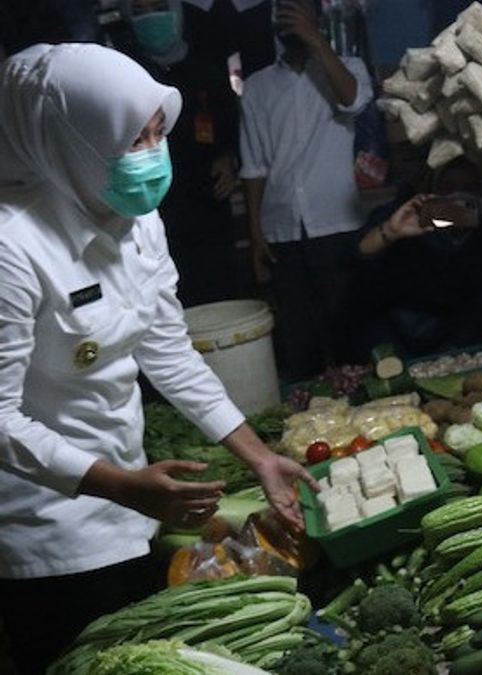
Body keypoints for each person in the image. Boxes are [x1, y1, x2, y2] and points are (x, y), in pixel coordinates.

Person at [0, 44, 317, 673]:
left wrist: (258, 458)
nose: (152, 154)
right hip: (47, 525)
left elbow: (166, 347)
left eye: (156, 132)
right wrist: (121, 487)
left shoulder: (136, 216)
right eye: (130, 139)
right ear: (70, 142)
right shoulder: (13, 246)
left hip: (133, 496)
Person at [239, 0, 373, 381]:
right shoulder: (257, 87)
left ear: (316, 17)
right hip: (282, 229)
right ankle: (311, 420)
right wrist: (255, 235)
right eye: (283, 10)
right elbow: (254, 166)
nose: (289, 16)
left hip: (337, 224)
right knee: (300, 343)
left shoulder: (349, 68)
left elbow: (352, 100)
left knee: (350, 335)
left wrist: (316, 41)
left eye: (299, 8)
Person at [120, 0, 243, 307]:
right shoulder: (126, 73)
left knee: (220, 302)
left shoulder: (207, 65)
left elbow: (233, 128)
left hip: (209, 206)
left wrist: (230, 159)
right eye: (140, 11)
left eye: (159, 7)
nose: (151, 18)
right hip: (154, 212)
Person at [353, 157, 482, 358]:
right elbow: (354, 256)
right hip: (392, 334)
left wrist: (455, 351)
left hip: (455, 339)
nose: (459, 195)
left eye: (470, 187)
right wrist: (390, 231)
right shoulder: (406, 214)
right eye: (448, 187)